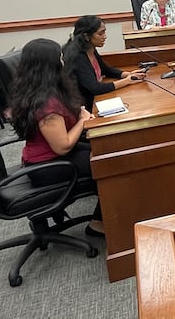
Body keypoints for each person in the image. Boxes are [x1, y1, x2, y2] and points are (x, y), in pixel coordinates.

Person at [9, 38, 104, 236]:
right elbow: (63, 146)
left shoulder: (39, 89)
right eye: (60, 58)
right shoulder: (46, 104)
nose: (63, 62)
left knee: (105, 147)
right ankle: (98, 223)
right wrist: (82, 121)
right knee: (109, 162)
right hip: (49, 166)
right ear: (49, 66)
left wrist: (78, 114)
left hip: (51, 157)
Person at [63, 15, 144, 110]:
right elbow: (95, 88)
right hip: (86, 108)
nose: (105, 37)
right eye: (100, 34)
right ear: (86, 36)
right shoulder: (78, 57)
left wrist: (127, 74)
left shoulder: (90, 48)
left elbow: (106, 70)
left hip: (95, 101)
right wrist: (127, 81)